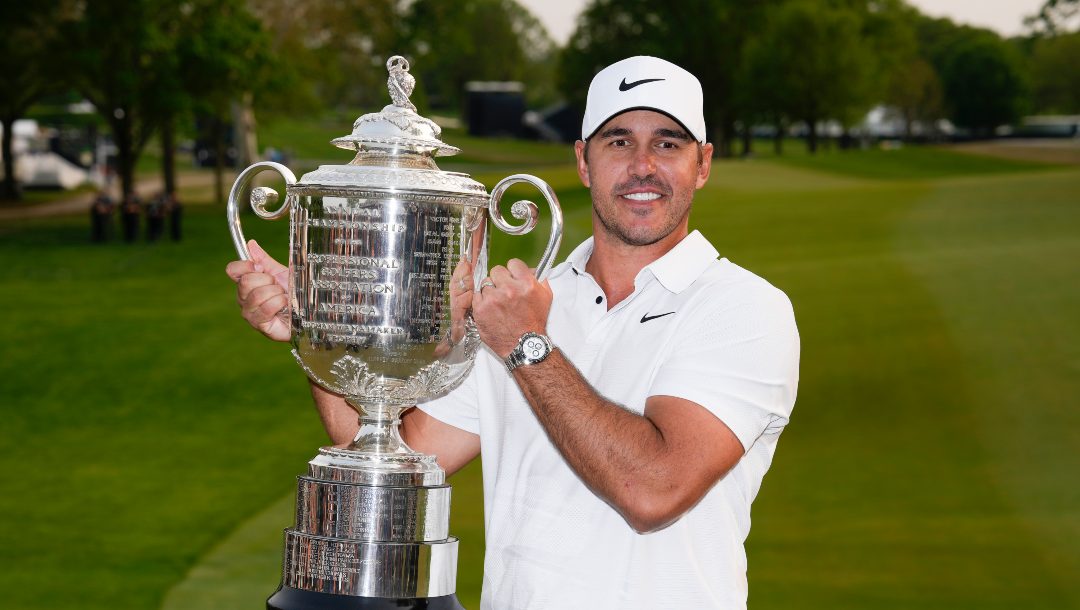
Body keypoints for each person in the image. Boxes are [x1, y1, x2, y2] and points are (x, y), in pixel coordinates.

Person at [227, 56, 799, 610]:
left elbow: (654, 491)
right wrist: (321, 323)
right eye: (618, 141)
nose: (643, 165)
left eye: (668, 143)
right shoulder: (519, 307)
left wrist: (526, 347)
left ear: (702, 164)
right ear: (583, 161)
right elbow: (384, 448)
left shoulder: (745, 309)